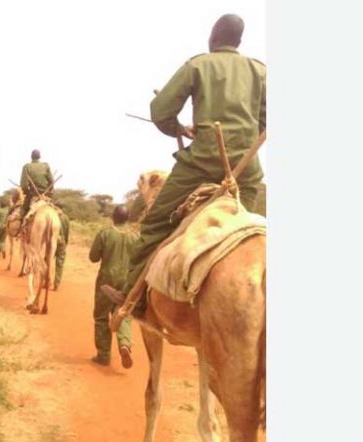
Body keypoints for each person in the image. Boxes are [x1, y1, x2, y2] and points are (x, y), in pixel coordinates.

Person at [102, 14, 266, 318]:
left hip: (203, 162)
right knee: (251, 228)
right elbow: (266, 121)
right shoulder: (260, 70)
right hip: (247, 168)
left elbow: (160, 111)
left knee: (155, 224)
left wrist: (178, 128)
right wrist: (245, 137)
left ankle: (133, 296)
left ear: (213, 38)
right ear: (239, 41)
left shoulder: (198, 65)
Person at [90, 205, 137, 368]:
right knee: (124, 314)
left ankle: (103, 355)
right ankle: (124, 344)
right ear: (128, 218)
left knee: (101, 317)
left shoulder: (105, 233)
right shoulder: (135, 236)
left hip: (106, 281)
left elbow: (93, 257)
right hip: (127, 282)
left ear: (113, 217)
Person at [19, 149, 54, 220]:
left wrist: (27, 192)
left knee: (22, 213)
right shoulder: (46, 166)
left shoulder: (26, 167)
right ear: (39, 157)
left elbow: (24, 185)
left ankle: (22, 224)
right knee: (58, 212)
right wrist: (49, 191)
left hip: (33, 195)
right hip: (46, 196)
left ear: (31, 157)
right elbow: (51, 182)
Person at [53, 210, 70, 290]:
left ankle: (45, 281)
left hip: (52, 241)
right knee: (60, 264)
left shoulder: (53, 215)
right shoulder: (65, 218)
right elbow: (67, 232)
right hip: (62, 242)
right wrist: (65, 242)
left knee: (46, 260)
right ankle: (57, 284)